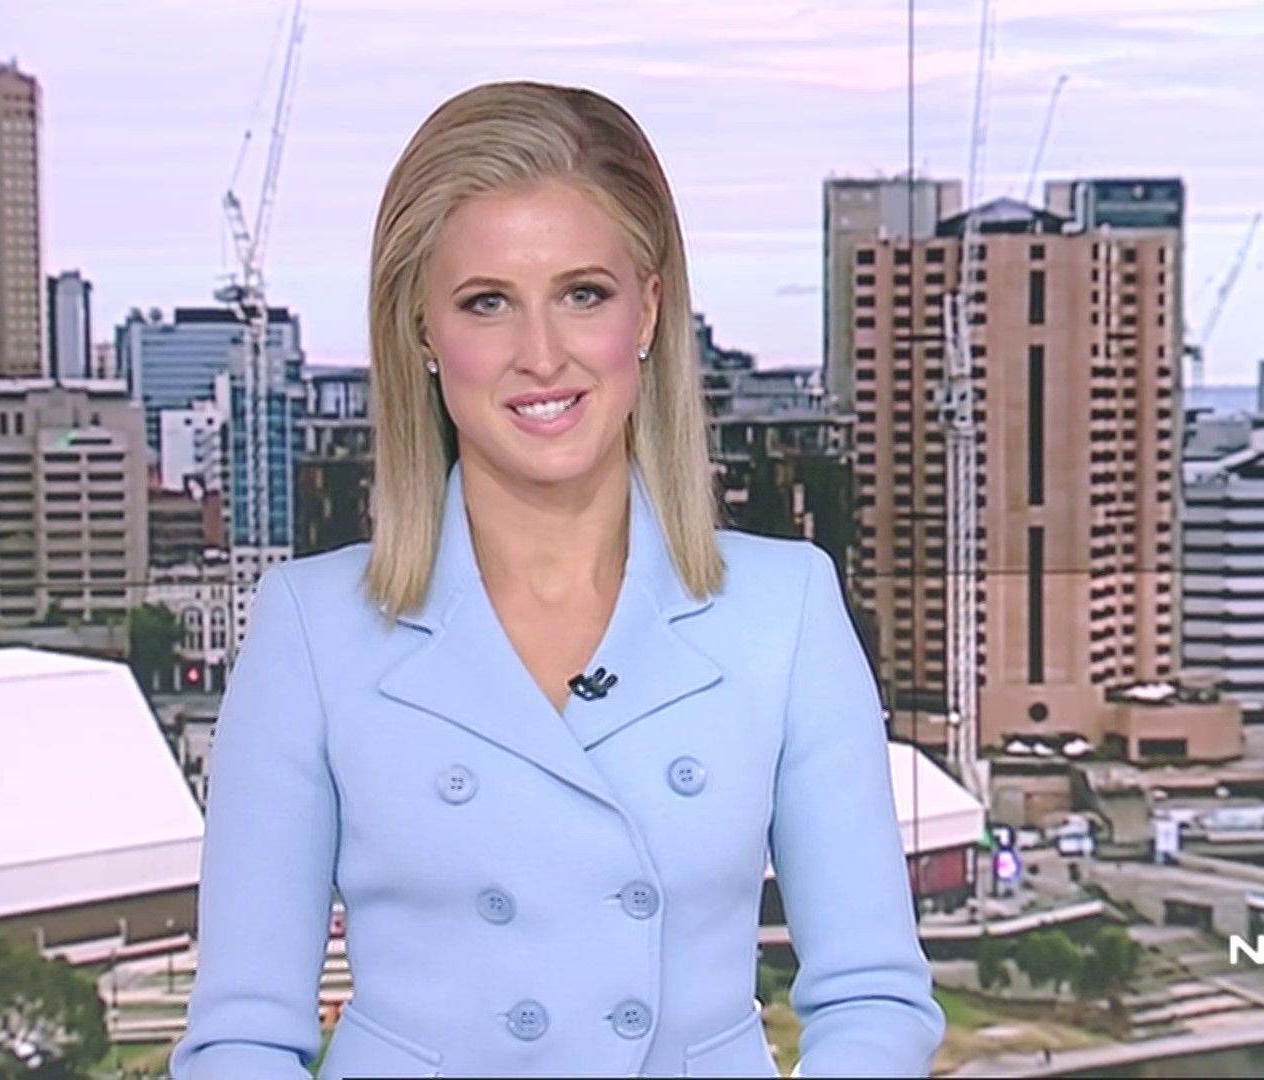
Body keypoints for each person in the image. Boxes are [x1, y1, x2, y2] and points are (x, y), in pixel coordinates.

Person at [170, 80, 945, 1079]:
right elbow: (242, 1039)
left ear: (648, 310)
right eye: (486, 303)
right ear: (421, 331)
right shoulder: (311, 632)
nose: (541, 356)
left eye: (583, 295)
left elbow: (874, 998)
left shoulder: (783, 612)